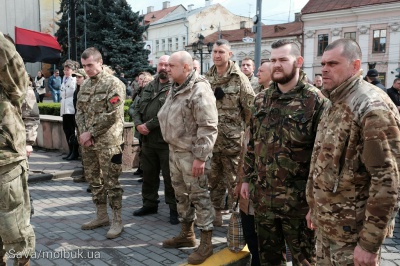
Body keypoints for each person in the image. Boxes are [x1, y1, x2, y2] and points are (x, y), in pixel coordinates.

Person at [306, 38, 400, 265]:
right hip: (328, 226)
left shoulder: (371, 107)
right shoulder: (334, 100)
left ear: (355, 66)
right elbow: (321, 158)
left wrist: (369, 244)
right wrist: (314, 207)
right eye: (323, 64)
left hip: (353, 236)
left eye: (333, 64)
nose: (325, 69)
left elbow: (387, 181)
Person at [240, 39, 326, 265]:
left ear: (298, 62)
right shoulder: (261, 100)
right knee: (268, 259)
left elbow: (323, 158)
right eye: (273, 60)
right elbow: (252, 144)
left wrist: (315, 204)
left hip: (298, 205)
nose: (276, 65)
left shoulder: (315, 101)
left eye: (283, 60)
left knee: (305, 261)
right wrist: (246, 180)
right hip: (264, 201)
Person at [158, 50, 218, 265]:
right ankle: (187, 234)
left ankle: (206, 243)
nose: (167, 69)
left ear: (186, 67)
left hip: (192, 155)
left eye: (171, 66)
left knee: (200, 197)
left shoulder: (199, 90)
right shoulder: (176, 87)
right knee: (181, 196)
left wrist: (201, 158)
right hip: (175, 151)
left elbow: (208, 126)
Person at [76, 47, 126, 239]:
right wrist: (83, 134)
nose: (87, 69)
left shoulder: (114, 84)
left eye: (90, 65)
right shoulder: (86, 85)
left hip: (108, 142)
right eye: (84, 66)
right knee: (94, 180)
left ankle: (117, 220)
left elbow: (113, 114)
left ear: (100, 62)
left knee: (111, 182)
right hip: (88, 143)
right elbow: (79, 111)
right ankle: (101, 216)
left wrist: (91, 133)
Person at [204, 39, 255, 226]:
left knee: (234, 181)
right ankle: (216, 213)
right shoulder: (206, 78)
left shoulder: (239, 78)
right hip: (211, 141)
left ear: (229, 54)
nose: (217, 55)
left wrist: (246, 136)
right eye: (215, 51)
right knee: (213, 179)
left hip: (233, 142)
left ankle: (236, 219)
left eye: (221, 52)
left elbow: (251, 110)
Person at [0, 31, 35, 266]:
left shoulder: (9, 87)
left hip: (5, 162)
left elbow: (29, 111)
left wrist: (29, 142)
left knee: (13, 225)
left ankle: (21, 262)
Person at [132, 55, 179, 225]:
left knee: (170, 178)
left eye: (167, 65)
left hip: (166, 142)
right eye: (161, 64)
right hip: (148, 141)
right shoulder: (149, 85)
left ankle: (174, 209)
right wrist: (138, 124)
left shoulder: (176, 86)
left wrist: (148, 125)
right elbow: (136, 107)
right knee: (149, 176)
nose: (164, 67)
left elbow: (169, 112)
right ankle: (149, 204)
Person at [129, 71, 154, 180]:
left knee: (147, 153)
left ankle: (146, 172)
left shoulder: (151, 92)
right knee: (142, 150)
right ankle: (142, 170)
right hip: (140, 125)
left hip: (147, 126)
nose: (139, 81)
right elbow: (134, 107)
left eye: (142, 80)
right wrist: (136, 118)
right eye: (139, 79)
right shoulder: (139, 93)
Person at [71, 68, 89, 184]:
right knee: (82, 150)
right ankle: (84, 174)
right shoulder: (77, 89)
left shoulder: (88, 89)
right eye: (76, 77)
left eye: (79, 77)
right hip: (79, 123)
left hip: (87, 125)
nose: (77, 79)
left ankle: (90, 177)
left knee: (87, 152)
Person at [60, 59, 79, 160]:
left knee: (72, 131)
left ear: (73, 70)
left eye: (68, 69)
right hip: (64, 109)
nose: (66, 72)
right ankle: (70, 150)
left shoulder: (75, 80)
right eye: (65, 70)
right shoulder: (64, 80)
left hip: (71, 109)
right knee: (66, 130)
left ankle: (75, 152)